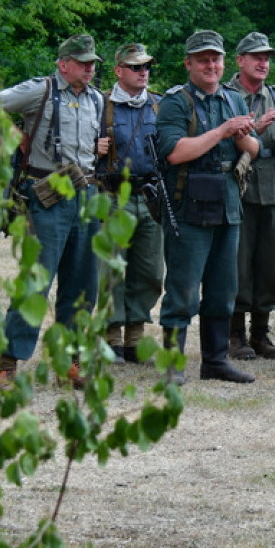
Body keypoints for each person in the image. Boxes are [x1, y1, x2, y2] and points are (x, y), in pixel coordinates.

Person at [0, 34, 107, 388]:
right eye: (83, 63)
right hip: (47, 195)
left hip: (86, 194)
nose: (89, 69)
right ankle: (8, 363)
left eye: (92, 63)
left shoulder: (97, 98)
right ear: (63, 64)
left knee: (83, 283)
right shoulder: (39, 90)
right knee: (36, 280)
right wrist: (13, 133)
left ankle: (68, 361)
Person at [156, 30, 260, 385]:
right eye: (203, 60)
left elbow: (254, 150)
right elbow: (175, 152)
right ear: (188, 63)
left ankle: (215, 361)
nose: (210, 66)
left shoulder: (233, 99)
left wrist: (243, 135)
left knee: (223, 289)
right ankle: (172, 365)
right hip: (188, 205)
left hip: (228, 203)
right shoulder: (175, 102)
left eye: (215, 59)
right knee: (183, 290)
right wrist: (223, 131)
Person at [226, 32, 275, 362]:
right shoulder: (226, 97)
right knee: (238, 263)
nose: (263, 63)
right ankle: (235, 333)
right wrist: (254, 131)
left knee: (270, 264)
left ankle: (261, 331)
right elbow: (219, 141)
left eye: (267, 58)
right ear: (240, 60)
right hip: (239, 188)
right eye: (256, 57)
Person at [99, 43, 164, 363]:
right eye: (136, 67)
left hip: (150, 197)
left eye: (146, 67)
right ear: (118, 71)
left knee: (150, 270)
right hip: (113, 196)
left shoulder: (159, 105)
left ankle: (135, 337)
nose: (143, 72)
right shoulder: (100, 106)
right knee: (111, 269)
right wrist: (93, 147)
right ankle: (111, 336)